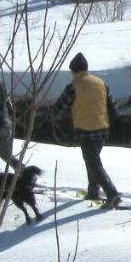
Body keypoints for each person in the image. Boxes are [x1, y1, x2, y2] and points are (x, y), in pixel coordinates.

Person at [54, 52, 121, 209]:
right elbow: (113, 106)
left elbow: (59, 107)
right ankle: (93, 192)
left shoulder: (73, 87)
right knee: (92, 160)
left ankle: (113, 195)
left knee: (93, 163)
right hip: (103, 129)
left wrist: (52, 117)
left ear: (74, 70)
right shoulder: (101, 83)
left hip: (86, 130)